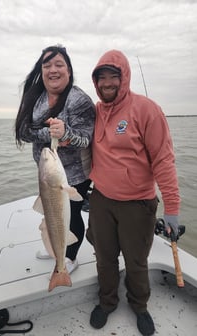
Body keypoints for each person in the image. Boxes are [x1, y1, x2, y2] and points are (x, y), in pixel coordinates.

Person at [86, 49, 180, 335]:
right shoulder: (94, 111)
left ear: (124, 77)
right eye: (101, 78)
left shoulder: (147, 109)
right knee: (104, 257)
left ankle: (140, 305)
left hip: (137, 204)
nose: (106, 83)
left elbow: (164, 160)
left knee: (136, 262)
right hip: (101, 199)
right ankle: (107, 301)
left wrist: (172, 209)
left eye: (113, 76)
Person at [15, 45, 95, 274]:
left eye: (59, 64)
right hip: (47, 170)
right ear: (41, 70)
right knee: (50, 213)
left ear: (69, 70)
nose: (53, 70)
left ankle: (69, 257)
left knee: (71, 215)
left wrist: (67, 133)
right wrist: (49, 133)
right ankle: (55, 248)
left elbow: (87, 139)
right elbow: (22, 131)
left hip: (76, 173)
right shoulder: (35, 97)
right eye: (47, 65)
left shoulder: (78, 100)